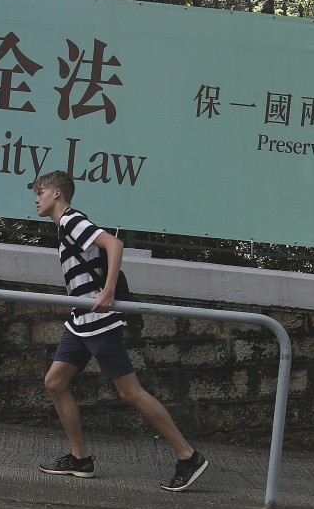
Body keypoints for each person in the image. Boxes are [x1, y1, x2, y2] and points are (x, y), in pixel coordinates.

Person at [31, 170, 208, 491]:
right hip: (81, 319)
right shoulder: (64, 228)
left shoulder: (71, 220)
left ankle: (187, 456)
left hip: (98, 320)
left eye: (40, 192)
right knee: (55, 382)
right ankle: (80, 458)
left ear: (57, 193)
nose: (35, 198)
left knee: (130, 392)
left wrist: (108, 290)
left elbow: (114, 243)